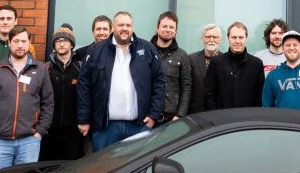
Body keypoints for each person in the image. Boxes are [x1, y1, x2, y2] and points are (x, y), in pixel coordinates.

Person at [77, 12, 165, 150]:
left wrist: (153, 114)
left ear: (132, 27)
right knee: (104, 163)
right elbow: (84, 85)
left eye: (128, 25)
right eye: (121, 25)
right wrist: (84, 119)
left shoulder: (147, 48)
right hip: (105, 128)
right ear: (113, 27)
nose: (124, 28)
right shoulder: (96, 50)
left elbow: (159, 81)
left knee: (138, 163)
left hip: (139, 126)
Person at [0, 26, 54, 170]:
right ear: (9, 43)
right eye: (16, 41)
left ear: (29, 43)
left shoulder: (40, 69)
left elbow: (48, 102)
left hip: (29, 141)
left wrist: (39, 131)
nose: (20, 45)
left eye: (24, 41)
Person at [43, 26, 85, 161]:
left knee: (72, 167)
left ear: (72, 45)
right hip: (49, 130)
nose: (61, 44)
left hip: (74, 131)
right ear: (54, 45)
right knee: (47, 167)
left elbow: (86, 98)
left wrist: (84, 121)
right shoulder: (46, 68)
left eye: (65, 40)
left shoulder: (81, 68)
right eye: (58, 41)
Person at [204, 22, 265, 110]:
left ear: (246, 38)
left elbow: (259, 96)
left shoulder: (256, 64)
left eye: (241, 37)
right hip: (221, 117)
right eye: (234, 37)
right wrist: (216, 115)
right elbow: (209, 94)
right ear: (228, 38)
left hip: (248, 117)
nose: (237, 41)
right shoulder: (216, 63)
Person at [261, 31, 300, 111]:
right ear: (282, 48)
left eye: (295, 45)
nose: (291, 48)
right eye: (288, 45)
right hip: (281, 119)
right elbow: (267, 108)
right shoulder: (273, 75)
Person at [151, 12, 192, 123]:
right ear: (157, 28)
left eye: (171, 27)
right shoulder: (146, 51)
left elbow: (186, 87)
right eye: (164, 26)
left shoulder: (182, 55)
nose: (168, 29)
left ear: (176, 31)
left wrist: (180, 115)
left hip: (172, 119)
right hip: (148, 116)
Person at [188, 23, 223, 114]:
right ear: (202, 39)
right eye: (208, 37)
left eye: (214, 37)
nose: (211, 40)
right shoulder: (191, 60)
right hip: (195, 113)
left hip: (218, 113)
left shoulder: (226, 61)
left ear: (220, 40)